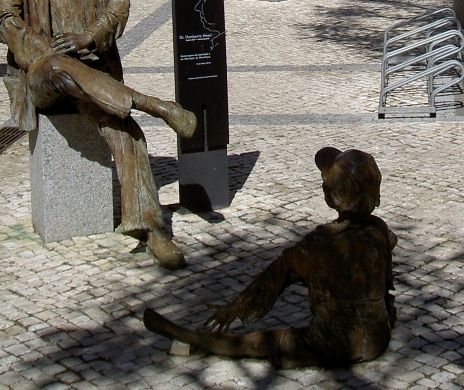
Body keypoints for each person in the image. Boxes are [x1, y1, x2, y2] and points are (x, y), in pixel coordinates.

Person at [0, 0, 198, 269]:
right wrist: (43, 49)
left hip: (93, 74)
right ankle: (153, 104)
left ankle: (152, 230)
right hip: (44, 80)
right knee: (57, 67)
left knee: (129, 133)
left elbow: (118, 5)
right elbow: (5, 20)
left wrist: (88, 37)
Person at [143, 147, 398, 367]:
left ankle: (201, 341)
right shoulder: (379, 230)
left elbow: (272, 281)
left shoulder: (316, 245)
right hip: (377, 339)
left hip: (333, 344)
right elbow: (387, 260)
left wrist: (232, 310)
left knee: (265, 343)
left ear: (331, 194)